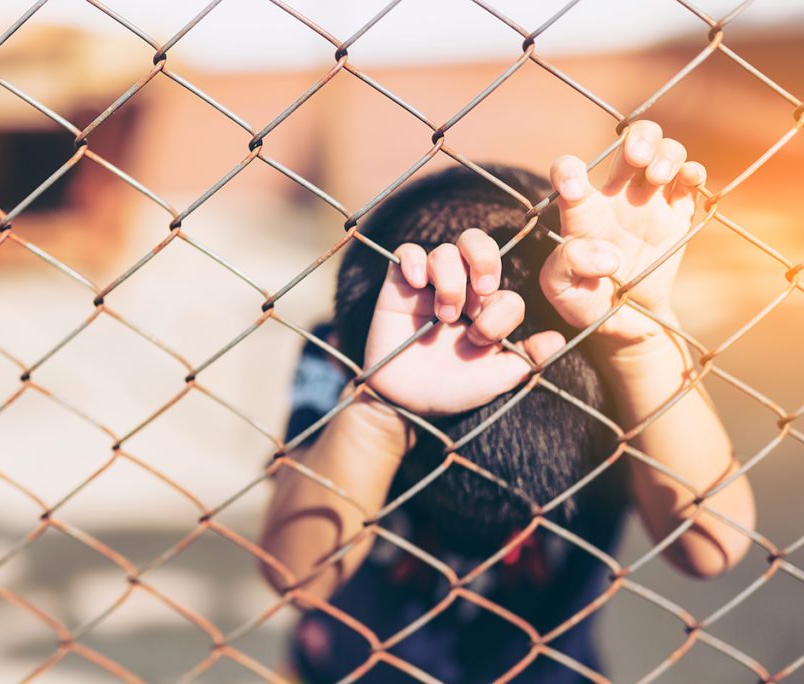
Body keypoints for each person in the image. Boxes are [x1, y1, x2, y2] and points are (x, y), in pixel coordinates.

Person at [259, 120, 756, 682]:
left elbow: (711, 547)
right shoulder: (345, 354)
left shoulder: (612, 361)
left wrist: (640, 340)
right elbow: (293, 574)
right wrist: (379, 410)